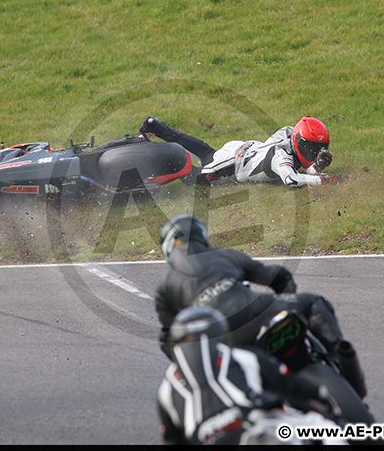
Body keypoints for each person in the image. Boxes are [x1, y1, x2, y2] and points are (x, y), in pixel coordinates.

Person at [154, 214, 366, 400]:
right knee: (313, 302)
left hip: (225, 341)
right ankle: (341, 357)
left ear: (168, 248)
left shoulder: (164, 288)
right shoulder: (224, 255)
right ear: (202, 237)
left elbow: (169, 340)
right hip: (260, 312)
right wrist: (285, 301)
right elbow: (278, 276)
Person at [157, 306, 346, 445]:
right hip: (257, 428)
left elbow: (172, 441)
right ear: (221, 334)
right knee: (326, 429)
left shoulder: (166, 390)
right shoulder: (241, 356)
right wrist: (329, 405)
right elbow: (295, 386)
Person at [139, 115, 350, 187]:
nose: (314, 153)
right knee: (192, 178)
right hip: (232, 163)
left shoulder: (288, 137)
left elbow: (302, 171)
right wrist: (326, 179)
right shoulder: (280, 156)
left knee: (204, 152)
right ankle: (146, 169)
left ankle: (154, 125)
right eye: (311, 149)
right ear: (298, 142)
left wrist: (317, 166)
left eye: (319, 149)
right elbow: (292, 180)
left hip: (238, 149)